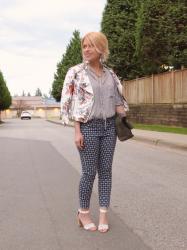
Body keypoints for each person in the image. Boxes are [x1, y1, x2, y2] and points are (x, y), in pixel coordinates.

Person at [60, 32, 128, 233]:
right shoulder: (76, 72)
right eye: (84, 46)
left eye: (91, 46)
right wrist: (77, 131)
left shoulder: (110, 74)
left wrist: (124, 123)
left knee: (106, 172)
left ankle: (104, 214)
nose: (86, 49)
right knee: (89, 173)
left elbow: (117, 101)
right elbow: (73, 103)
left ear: (101, 48)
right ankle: (83, 213)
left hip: (109, 129)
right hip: (88, 127)